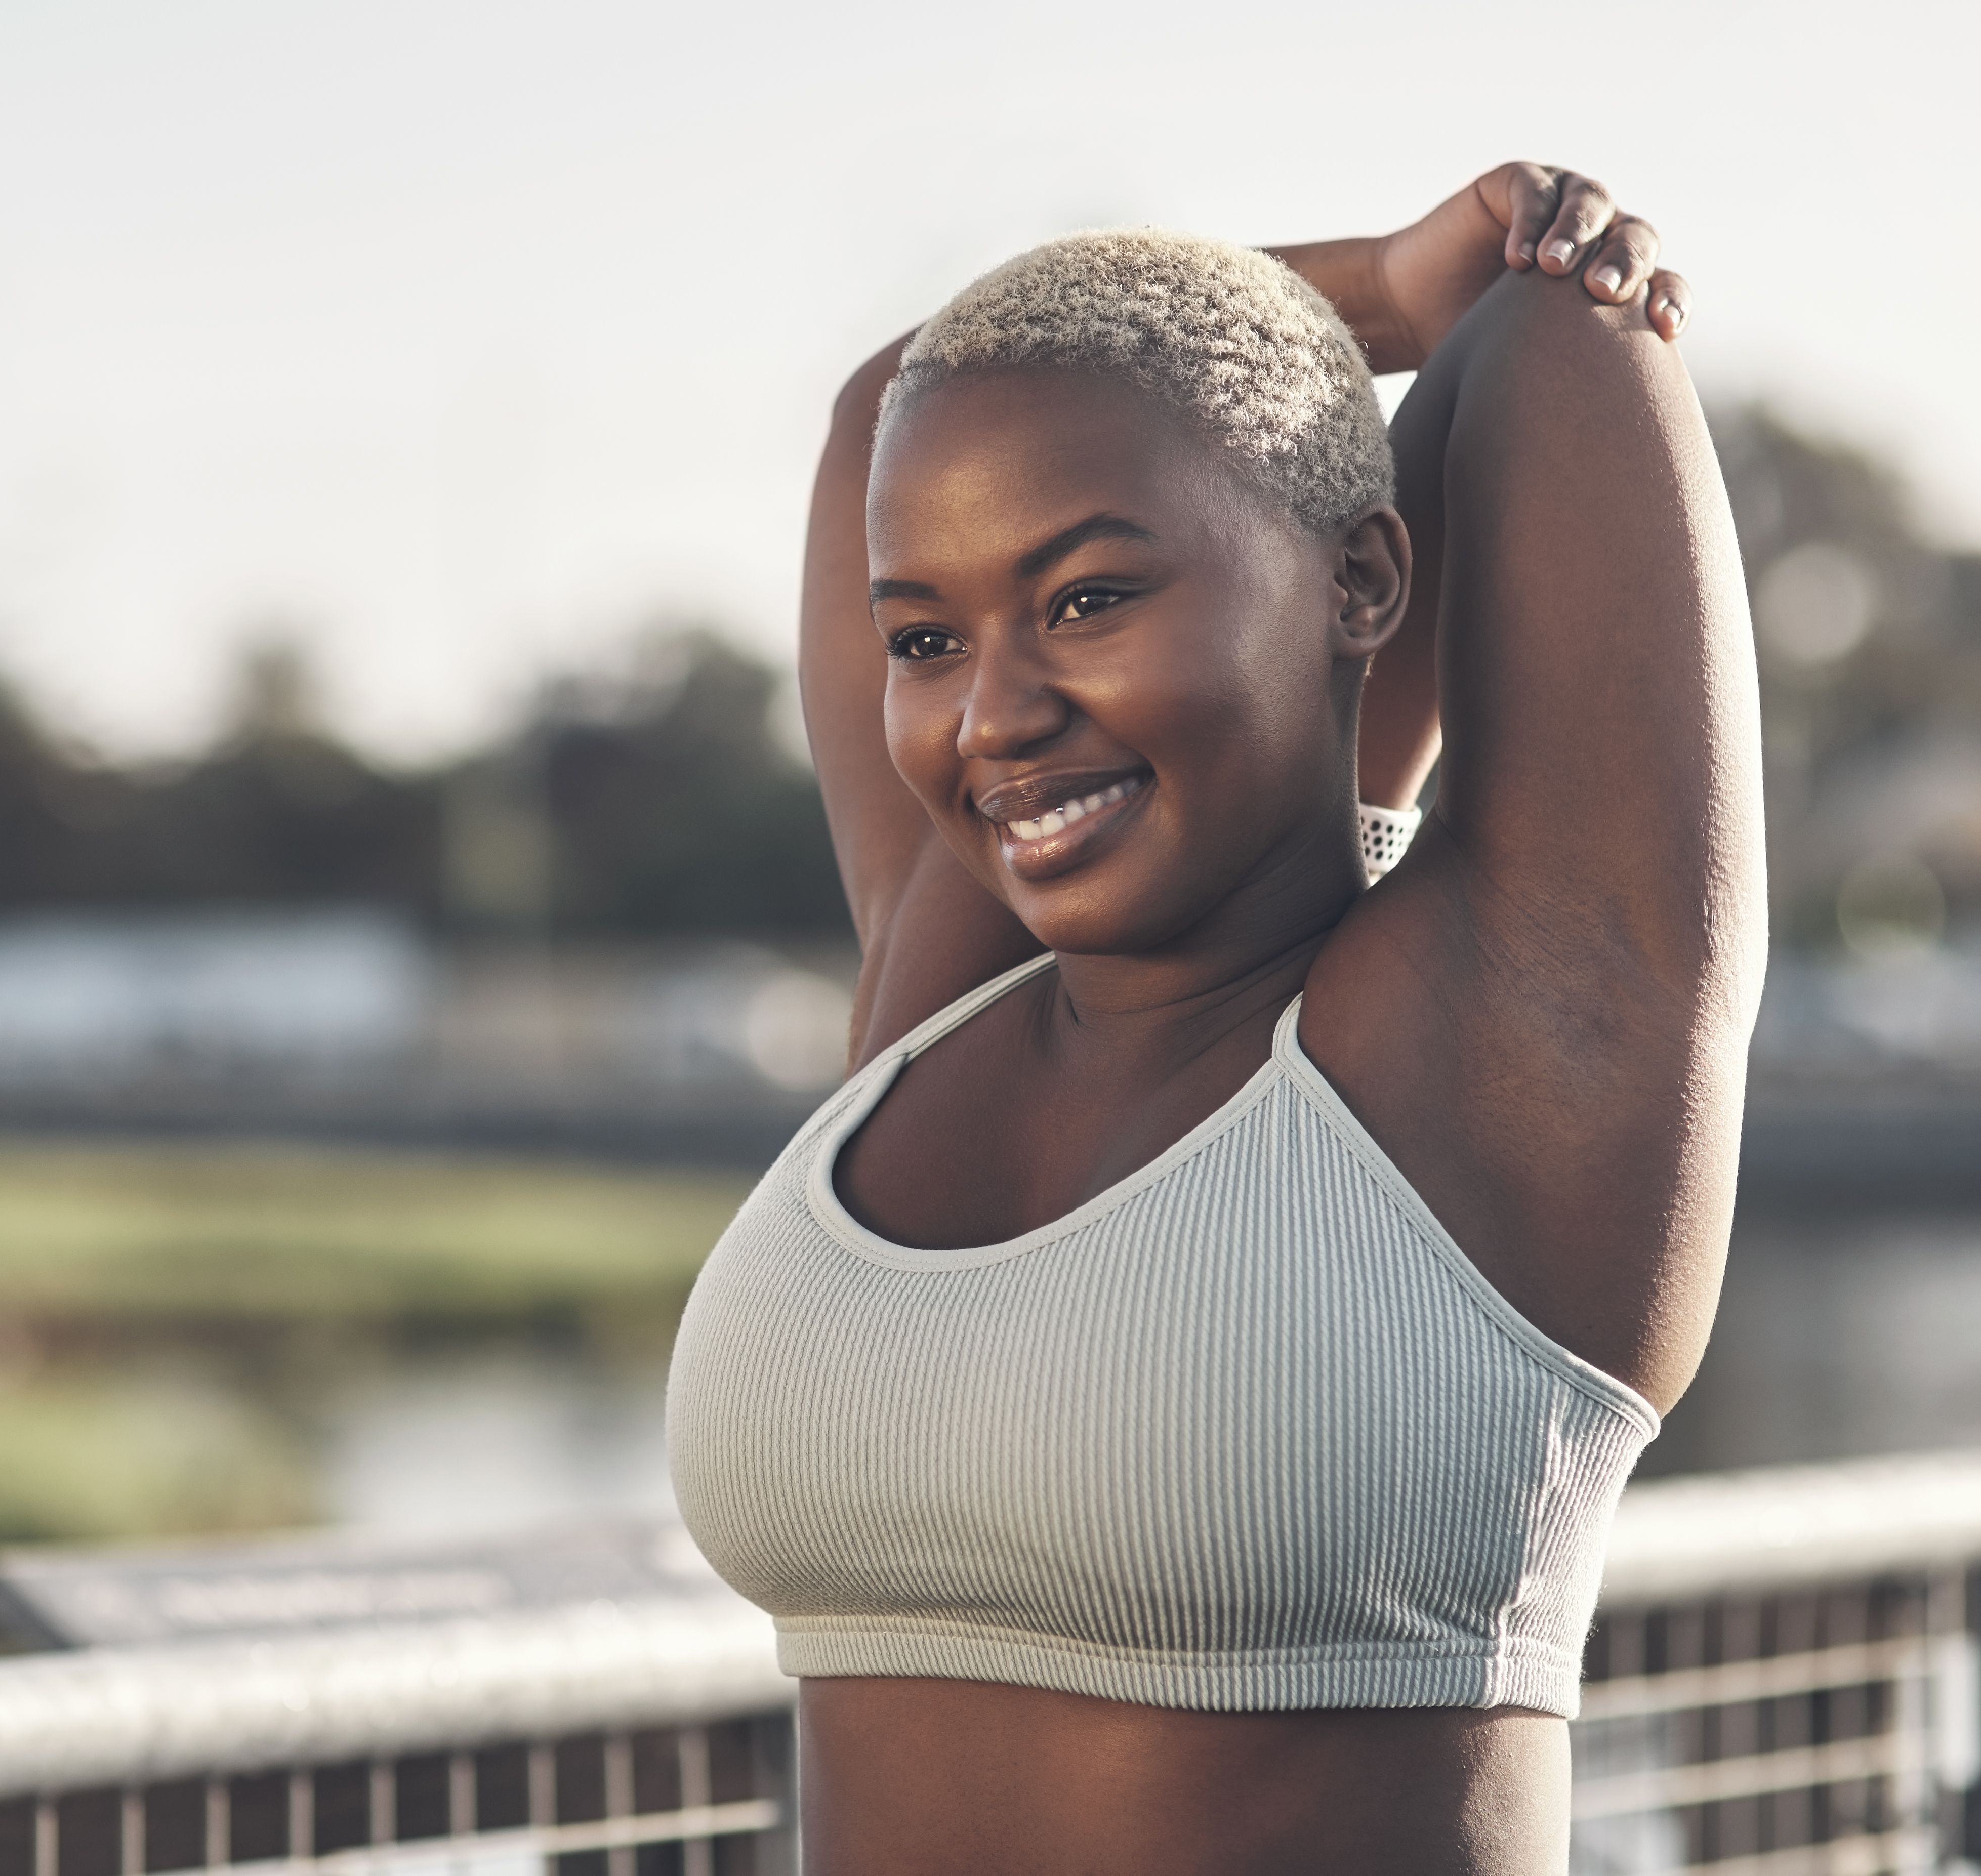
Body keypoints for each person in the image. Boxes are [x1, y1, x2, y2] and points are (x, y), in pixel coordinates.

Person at [667, 163, 1762, 1873]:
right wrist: (1381, 288)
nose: (996, 714)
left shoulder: (1509, 1046)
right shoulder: (949, 997)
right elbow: (911, 395)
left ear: (1364, 580)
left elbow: (1545, 333)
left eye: (1092, 596)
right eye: (927, 635)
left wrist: (1437, 298)